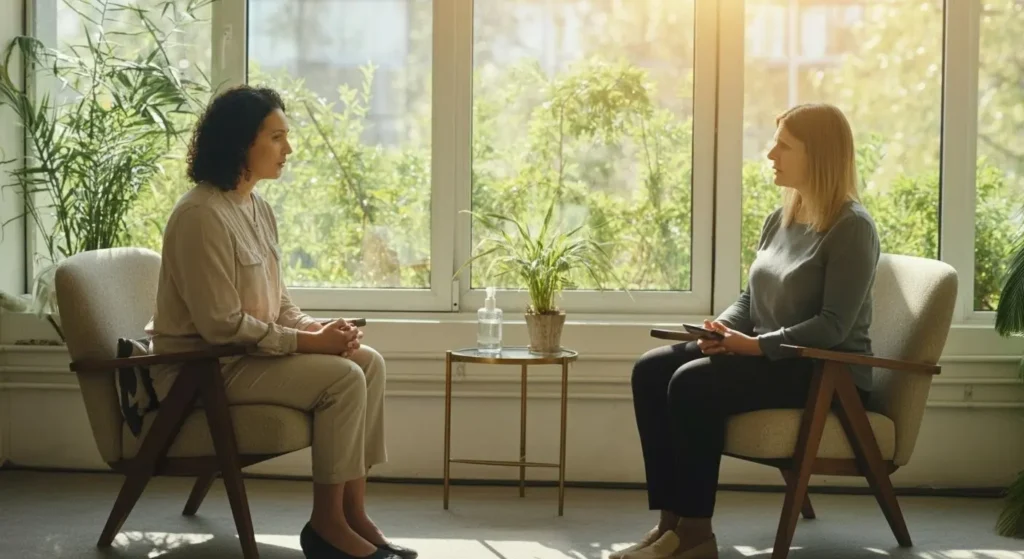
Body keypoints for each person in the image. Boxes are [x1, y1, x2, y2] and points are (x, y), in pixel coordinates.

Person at [146, 85, 416, 559]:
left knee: (366, 361)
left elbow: (279, 305)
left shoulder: (258, 209)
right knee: (343, 379)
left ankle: (353, 514)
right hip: (203, 370)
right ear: (240, 143)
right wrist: (311, 346)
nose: (288, 149)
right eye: (276, 137)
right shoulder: (199, 216)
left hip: (244, 357)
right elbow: (222, 327)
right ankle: (327, 526)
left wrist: (319, 329)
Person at [615, 103, 880, 559]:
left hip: (822, 373)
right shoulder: (782, 219)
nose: (770, 153)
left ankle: (697, 535)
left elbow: (834, 327)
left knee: (692, 383)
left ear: (817, 155)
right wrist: (721, 329)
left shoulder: (853, 228)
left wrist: (755, 346)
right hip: (770, 357)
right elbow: (750, 299)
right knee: (652, 369)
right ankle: (670, 525)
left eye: (784, 145)